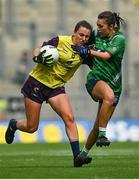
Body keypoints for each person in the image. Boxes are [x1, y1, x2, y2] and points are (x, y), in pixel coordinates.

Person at [5, 20, 93, 167]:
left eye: (86, 37)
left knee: (69, 117)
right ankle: (14, 125)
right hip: (37, 83)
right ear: (74, 33)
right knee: (32, 127)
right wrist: (37, 57)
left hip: (56, 87)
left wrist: (90, 56)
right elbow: (39, 49)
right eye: (81, 35)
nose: (83, 39)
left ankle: (77, 157)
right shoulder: (60, 41)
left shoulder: (85, 52)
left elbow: (95, 66)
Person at [72, 11, 126, 157]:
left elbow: (106, 55)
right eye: (97, 25)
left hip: (115, 86)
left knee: (98, 124)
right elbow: (81, 42)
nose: (98, 28)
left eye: (101, 26)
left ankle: (82, 155)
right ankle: (103, 134)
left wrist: (88, 52)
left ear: (111, 26)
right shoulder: (96, 35)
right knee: (108, 97)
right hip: (95, 79)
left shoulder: (119, 39)